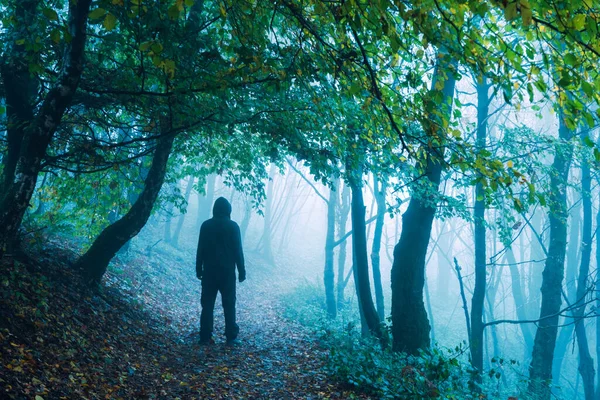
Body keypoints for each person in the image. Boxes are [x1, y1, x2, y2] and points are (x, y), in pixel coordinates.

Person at [196, 197, 246, 345]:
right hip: (227, 273)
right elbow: (238, 251)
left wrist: (198, 268)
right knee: (229, 304)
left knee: (207, 304)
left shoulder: (206, 226)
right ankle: (231, 336)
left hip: (209, 272)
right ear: (228, 211)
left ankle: (205, 336)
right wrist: (241, 271)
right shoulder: (233, 227)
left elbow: (201, 249)